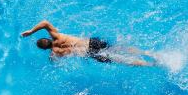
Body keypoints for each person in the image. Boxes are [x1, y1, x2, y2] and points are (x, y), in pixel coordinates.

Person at [20, 20, 159, 67]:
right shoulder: (57, 36)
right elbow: (45, 23)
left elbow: (54, 62)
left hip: (89, 53)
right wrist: (31, 31)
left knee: (120, 60)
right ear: (48, 39)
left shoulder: (55, 53)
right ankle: (147, 53)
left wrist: (51, 59)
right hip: (92, 43)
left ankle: (150, 65)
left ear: (45, 48)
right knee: (118, 48)